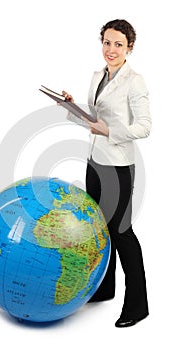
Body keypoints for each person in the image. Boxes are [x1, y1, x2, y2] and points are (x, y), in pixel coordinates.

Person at [63, 19, 151, 328]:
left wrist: (110, 130)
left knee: (122, 233)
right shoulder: (98, 75)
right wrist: (73, 107)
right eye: (106, 42)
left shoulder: (134, 81)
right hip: (95, 161)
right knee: (99, 229)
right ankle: (105, 288)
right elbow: (94, 121)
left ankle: (137, 306)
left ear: (129, 48)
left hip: (118, 166)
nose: (110, 49)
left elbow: (145, 126)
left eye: (118, 44)